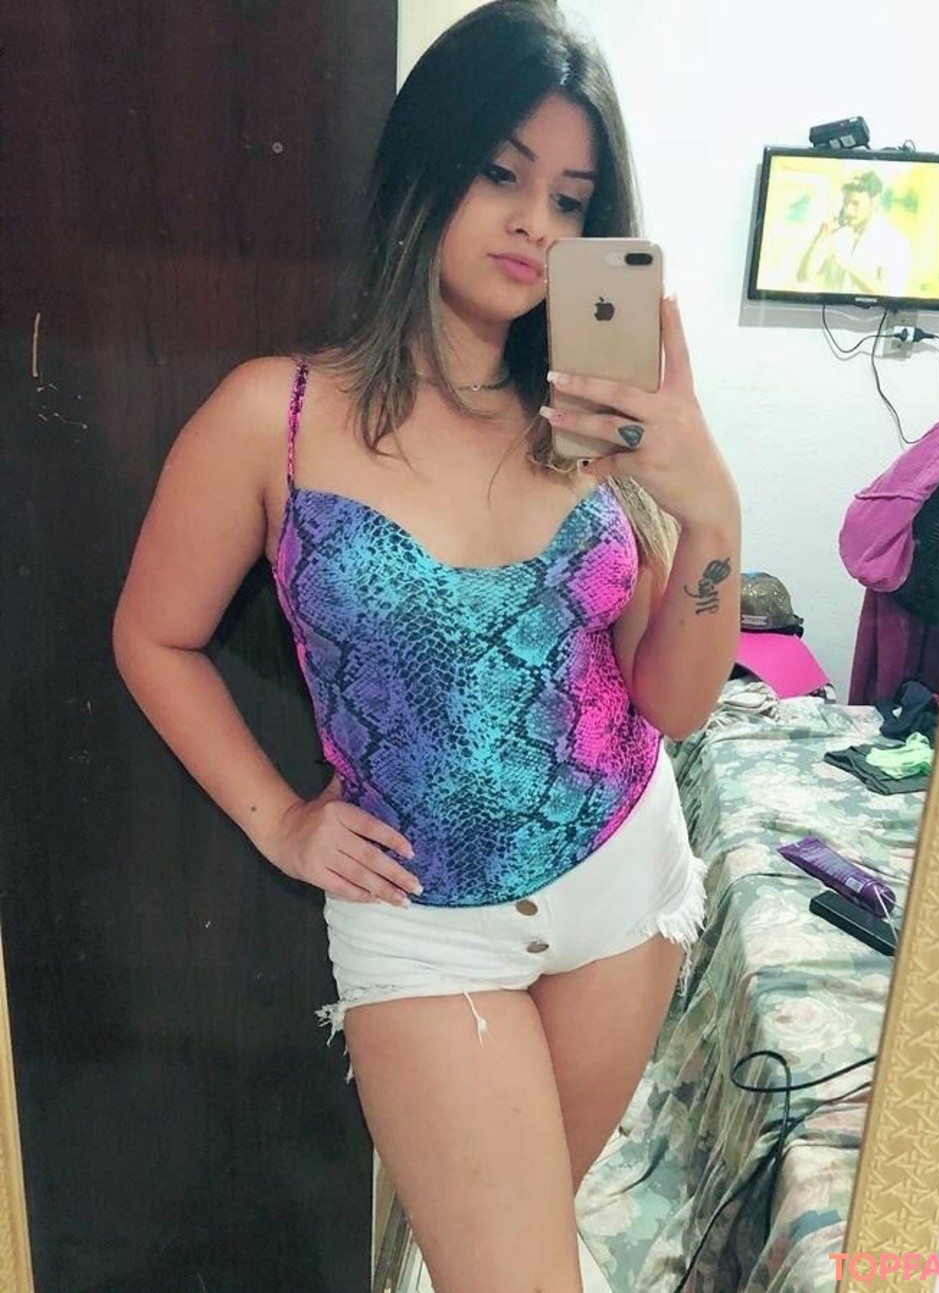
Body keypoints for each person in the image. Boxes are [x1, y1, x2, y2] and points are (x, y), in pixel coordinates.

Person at [112, 3, 741, 1290]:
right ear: (426, 164)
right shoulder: (273, 417)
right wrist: (280, 822)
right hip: (423, 928)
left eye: (572, 200)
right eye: (502, 173)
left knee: (499, 1252)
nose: (537, 224)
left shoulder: (592, 422)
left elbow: (674, 703)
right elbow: (154, 635)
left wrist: (709, 511)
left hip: (624, 884)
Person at [797, 169, 913, 297]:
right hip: (832, 309)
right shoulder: (836, 236)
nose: (848, 211)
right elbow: (802, 277)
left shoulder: (895, 243)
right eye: (845, 203)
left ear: (875, 201)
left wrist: (848, 264)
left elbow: (890, 296)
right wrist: (820, 237)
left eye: (855, 203)